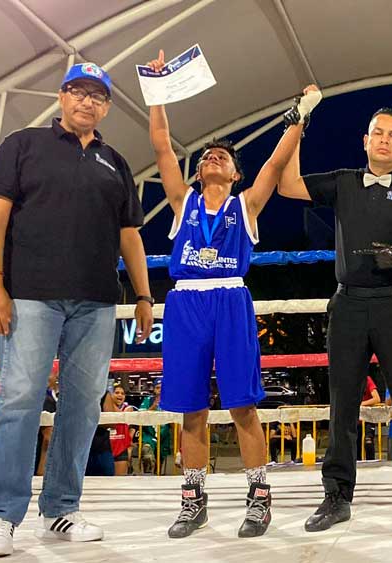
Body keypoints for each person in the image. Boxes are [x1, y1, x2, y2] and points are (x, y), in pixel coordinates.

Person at [0, 62, 153, 558]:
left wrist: (143, 295)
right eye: (78, 91)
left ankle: (59, 510)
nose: (87, 101)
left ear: (107, 106)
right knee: (20, 400)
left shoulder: (115, 162)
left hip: (96, 301)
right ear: (61, 96)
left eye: (97, 95)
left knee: (82, 405)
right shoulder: (23, 145)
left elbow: (129, 236)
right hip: (29, 294)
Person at [145, 50, 320, 539]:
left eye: (222, 155)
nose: (212, 156)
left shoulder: (246, 205)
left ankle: (259, 497)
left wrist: (300, 115)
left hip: (229, 300)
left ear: (235, 174)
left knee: (243, 404)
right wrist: (157, 90)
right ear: (199, 172)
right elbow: (161, 145)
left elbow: (277, 160)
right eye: (206, 156)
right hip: (186, 304)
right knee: (191, 407)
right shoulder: (183, 203)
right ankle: (193, 499)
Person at [278, 108, 392, 532]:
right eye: (378, 132)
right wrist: (298, 125)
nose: (384, 140)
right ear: (365, 140)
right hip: (349, 304)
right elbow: (286, 185)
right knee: (342, 404)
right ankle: (336, 495)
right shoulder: (342, 181)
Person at [109, 384, 135, 475]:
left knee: (119, 482)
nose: (120, 395)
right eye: (117, 393)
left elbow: (121, 416)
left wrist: (128, 445)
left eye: (122, 393)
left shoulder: (128, 408)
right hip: (106, 448)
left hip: (120, 449)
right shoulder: (104, 409)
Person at [358, 375, 381, 460]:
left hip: (367, 418)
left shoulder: (367, 379)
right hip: (354, 420)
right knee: (356, 446)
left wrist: (361, 404)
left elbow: (377, 398)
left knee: (368, 442)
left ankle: (371, 463)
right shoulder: (348, 380)